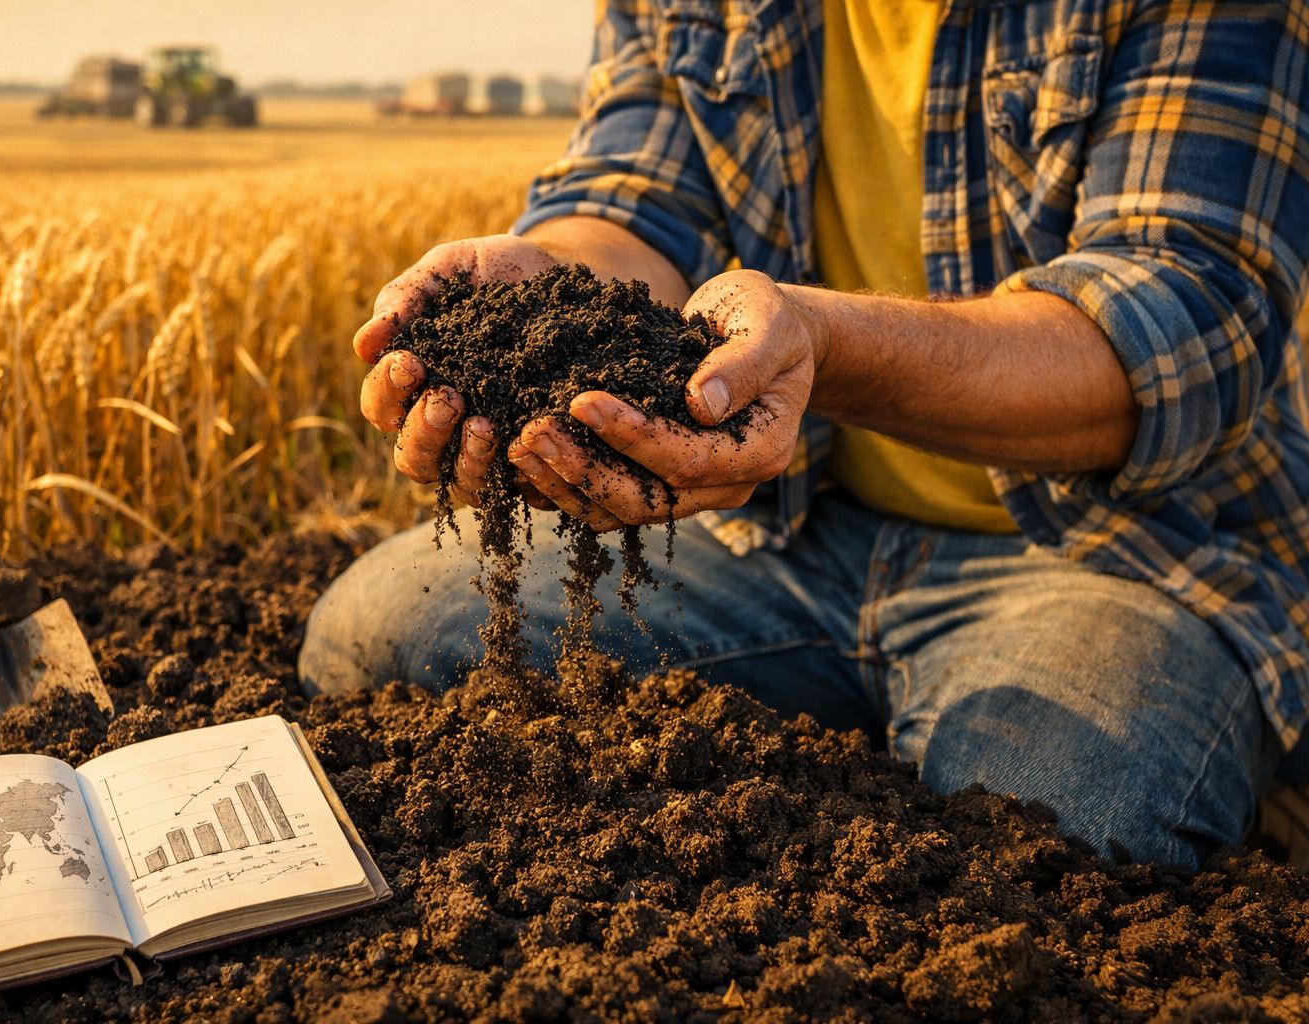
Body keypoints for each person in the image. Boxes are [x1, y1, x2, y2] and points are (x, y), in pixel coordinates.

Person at [300, 0, 1309, 871]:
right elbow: (639, 204)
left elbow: (1176, 326)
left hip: (1110, 551)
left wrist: (820, 340)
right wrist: (550, 290)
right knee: (388, 630)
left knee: (1060, 833)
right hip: (782, 529)